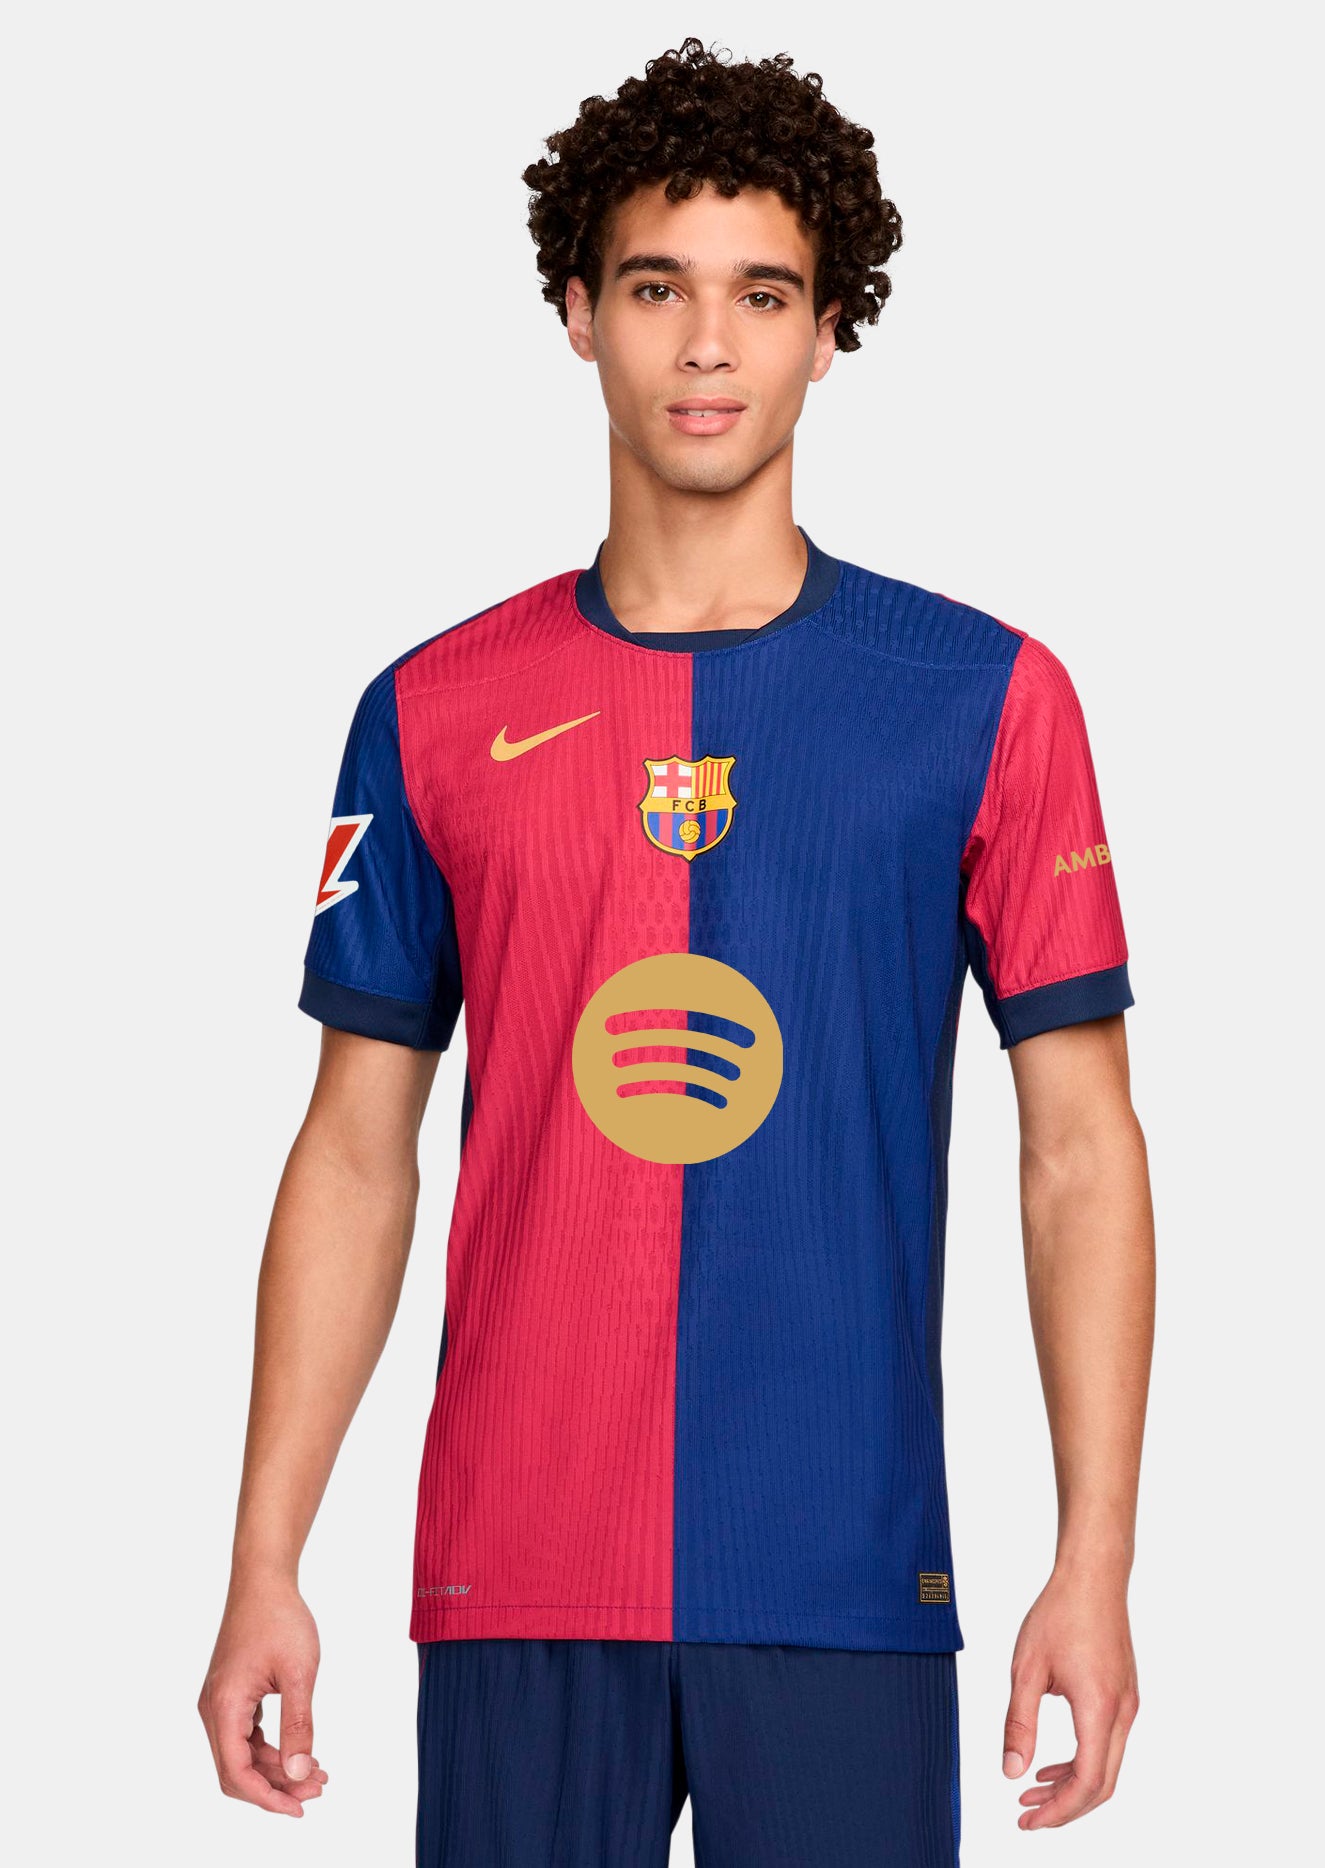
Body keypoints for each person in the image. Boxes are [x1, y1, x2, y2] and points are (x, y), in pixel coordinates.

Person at [198, 37, 1154, 1866]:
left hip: (847, 1571)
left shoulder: (983, 698)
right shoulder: (429, 709)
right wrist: (265, 1557)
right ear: (578, 313)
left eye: (762, 294)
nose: (708, 344)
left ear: (829, 328)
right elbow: (353, 1153)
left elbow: (1082, 1154)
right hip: (516, 1568)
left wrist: (1092, 1563)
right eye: (656, 287)